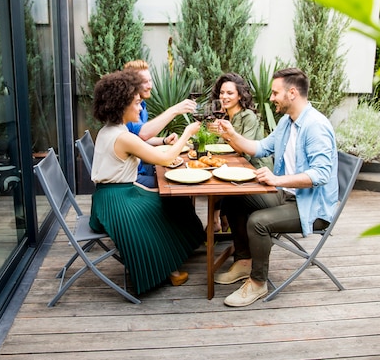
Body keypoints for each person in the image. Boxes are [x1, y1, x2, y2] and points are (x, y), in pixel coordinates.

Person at [213, 68, 338, 307]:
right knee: (234, 197)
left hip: (310, 206)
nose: (271, 98)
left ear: (292, 93)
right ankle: (244, 261)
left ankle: (258, 283)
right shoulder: (286, 122)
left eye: (275, 93)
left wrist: (277, 180)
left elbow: (321, 174)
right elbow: (259, 148)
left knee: (258, 221)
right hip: (287, 196)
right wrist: (231, 135)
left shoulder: (315, 126)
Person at [89, 69, 205, 295]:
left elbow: (116, 175)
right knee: (165, 207)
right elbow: (165, 158)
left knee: (174, 201)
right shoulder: (123, 138)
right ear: (121, 105)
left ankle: (174, 259)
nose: (140, 108)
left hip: (112, 196)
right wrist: (187, 134)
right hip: (116, 205)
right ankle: (166, 268)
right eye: (136, 103)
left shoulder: (112, 130)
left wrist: (137, 187)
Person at [208, 72, 274, 232]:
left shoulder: (248, 116)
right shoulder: (225, 116)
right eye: (222, 92)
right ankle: (218, 220)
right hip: (237, 167)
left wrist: (224, 134)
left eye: (230, 93)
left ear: (240, 96)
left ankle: (219, 221)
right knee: (213, 177)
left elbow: (244, 152)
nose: (224, 96)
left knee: (218, 182)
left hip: (255, 170)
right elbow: (221, 148)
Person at [123, 60, 196, 188]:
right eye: (144, 82)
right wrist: (175, 110)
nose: (150, 86)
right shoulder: (127, 109)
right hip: (131, 179)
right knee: (178, 186)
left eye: (150, 80)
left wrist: (164, 141)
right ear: (131, 85)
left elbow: (138, 138)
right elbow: (143, 133)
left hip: (139, 170)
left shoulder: (142, 105)